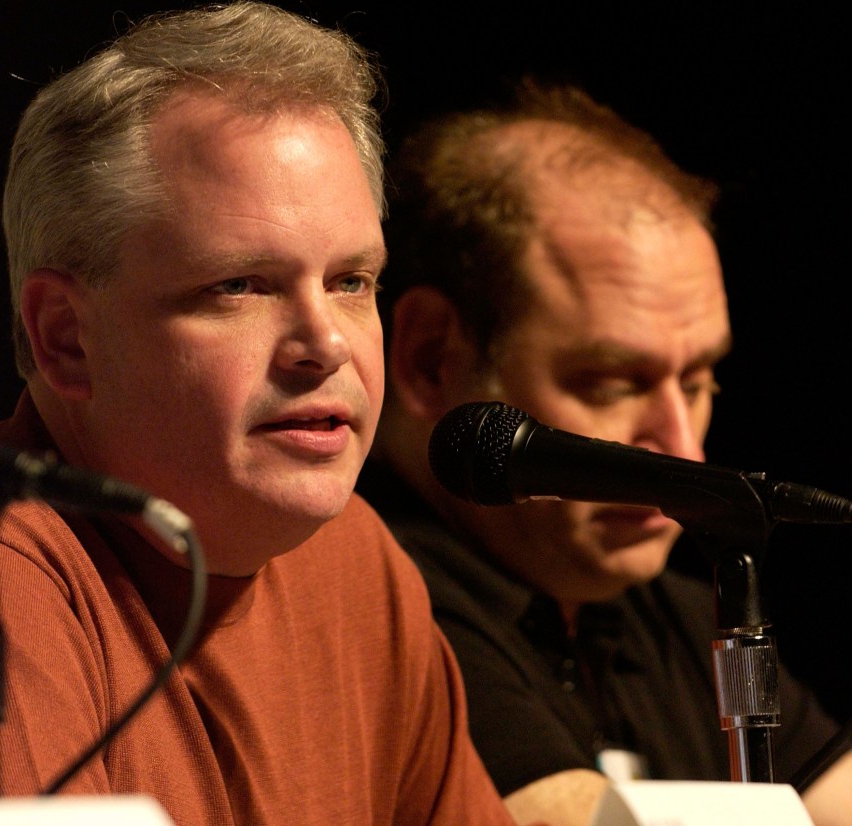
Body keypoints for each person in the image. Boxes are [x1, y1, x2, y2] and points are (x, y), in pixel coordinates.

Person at [0, 4, 519, 823]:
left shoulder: (358, 562)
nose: (324, 343)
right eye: (240, 286)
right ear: (67, 338)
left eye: (350, 281)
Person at [358, 80, 852, 826]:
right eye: (615, 383)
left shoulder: (678, 614)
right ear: (432, 359)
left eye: (697, 382)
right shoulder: (366, 597)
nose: (683, 449)